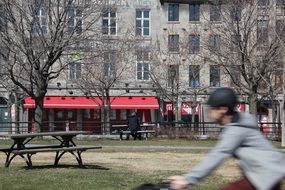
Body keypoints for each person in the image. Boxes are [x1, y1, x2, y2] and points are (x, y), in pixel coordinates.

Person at [168, 87, 285, 190]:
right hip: (268, 174)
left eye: (211, 109)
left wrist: (188, 180)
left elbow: (218, 155)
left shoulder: (236, 130)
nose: (208, 112)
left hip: (266, 174)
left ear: (222, 109)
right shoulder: (239, 123)